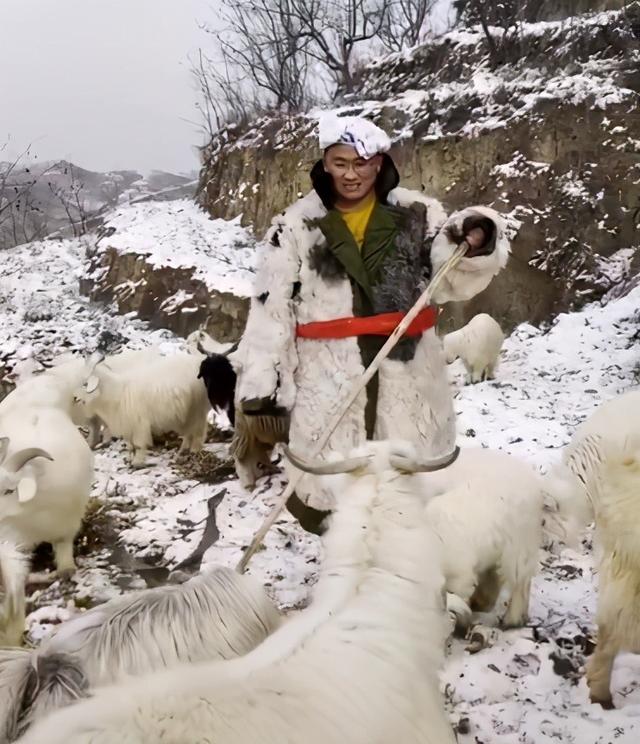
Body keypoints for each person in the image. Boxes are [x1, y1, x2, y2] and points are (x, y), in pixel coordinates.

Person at [230, 114, 509, 533]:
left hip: (408, 376)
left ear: (379, 164)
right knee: (339, 505)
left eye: (362, 163)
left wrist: (476, 237)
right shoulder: (296, 226)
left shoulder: (419, 215)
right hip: (328, 379)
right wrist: (262, 384)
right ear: (325, 163)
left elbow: (451, 278)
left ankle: (407, 581)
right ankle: (345, 579)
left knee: (408, 505)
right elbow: (272, 309)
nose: (351, 174)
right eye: (340, 163)